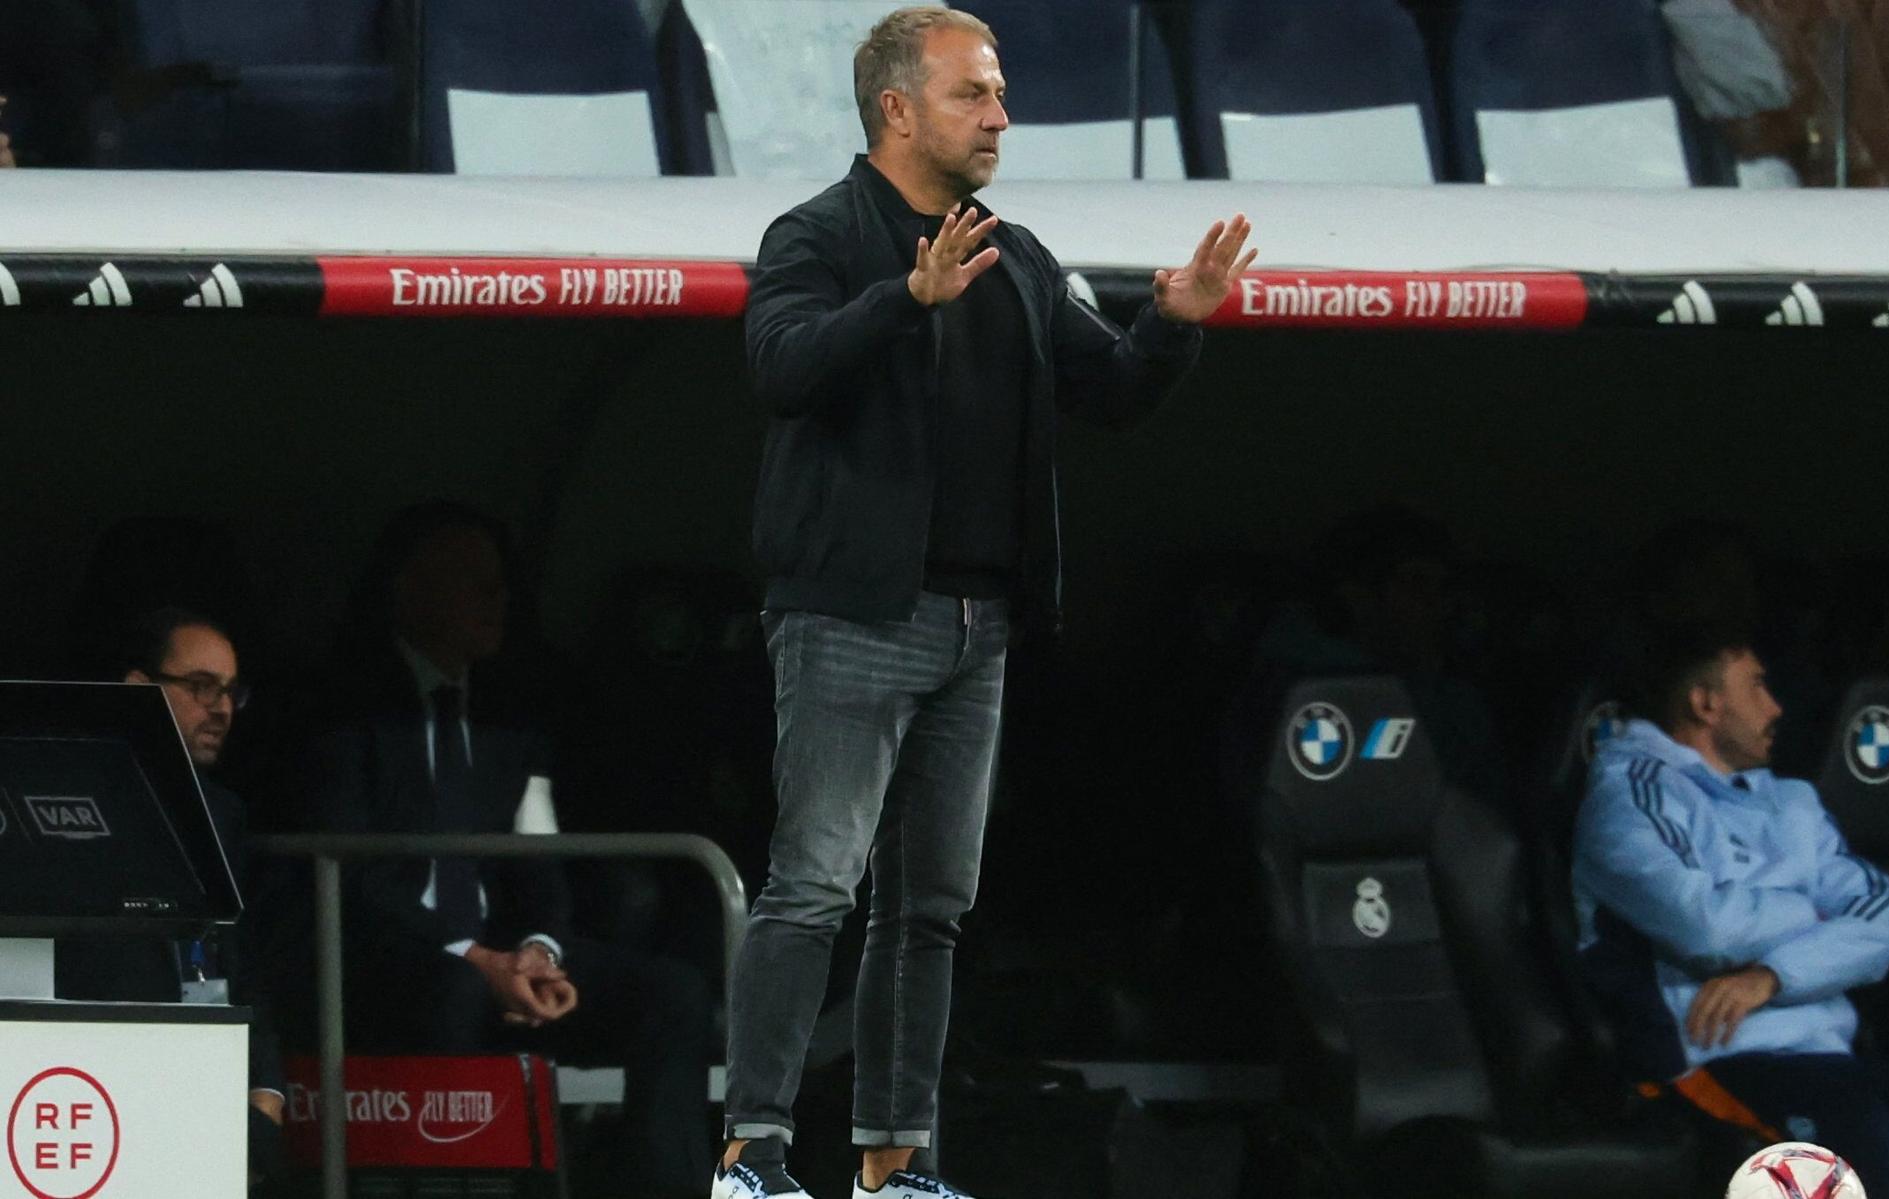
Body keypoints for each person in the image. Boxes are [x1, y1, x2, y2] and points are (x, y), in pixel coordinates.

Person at [719, 9, 1256, 1199]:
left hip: (979, 626)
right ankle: (752, 1153)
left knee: (932, 909)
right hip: (851, 614)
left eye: (1001, 93)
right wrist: (903, 300)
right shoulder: (814, 234)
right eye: (975, 94)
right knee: (814, 883)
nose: (1002, 116)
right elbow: (781, 367)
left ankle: (891, 1164)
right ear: (898, 108)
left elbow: (1107, 388)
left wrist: (1172, 326)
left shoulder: (1016, 256)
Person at [298, 502, 711, 1197]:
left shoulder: (512, 716)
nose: (499, 600)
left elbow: (538, 858)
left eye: (501, 584)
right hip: (395, 958)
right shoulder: (347, 710)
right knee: (455, 988)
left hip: (506, 957)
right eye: (474, 583)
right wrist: (475, 958)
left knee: (672, 993)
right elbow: (352, 876)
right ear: (410, 590)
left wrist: (540, 950)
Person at [1572, 620, 1889, 1197]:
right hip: (1712, 1060)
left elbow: (1879, 923)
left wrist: (1773, 976)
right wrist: (1816, 914)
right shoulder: (1632, 792)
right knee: (1855, 1154)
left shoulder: (1790, 802)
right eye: (1756, 686)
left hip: (1829, 1058)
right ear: (1705, 703)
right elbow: (1703, 927)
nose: (1776, 707)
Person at [56, 607, 287, 1186]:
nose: (223, 709)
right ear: (139, 690)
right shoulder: (65, 800)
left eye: (232, 691)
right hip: (90, 1083)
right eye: (201, 686)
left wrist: (265, 1089)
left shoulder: (224, 813)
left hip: (207, 1081)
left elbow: (240, 960)